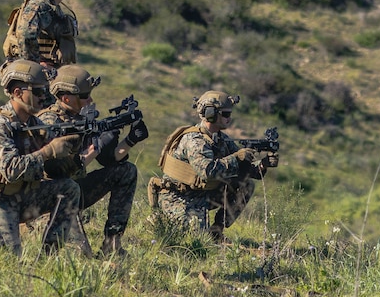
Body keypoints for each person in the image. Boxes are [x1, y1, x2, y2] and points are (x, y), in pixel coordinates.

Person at [0, 59, 91, 256]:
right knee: (7, 259)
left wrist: (77, 145)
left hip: (21, 196)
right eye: (38, 92)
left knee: (69, 189)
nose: (44, 97)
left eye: (45, 91)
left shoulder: (34, 124)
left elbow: (59, 167)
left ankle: (49, 256)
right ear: (18, 93)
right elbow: (11, 170)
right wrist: (48, 151)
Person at [36, 65, 149, 256]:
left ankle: (112, 244)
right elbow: (58, 171)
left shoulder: (80, 119)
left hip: (75, 189)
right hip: (51, 197)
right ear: (66, 98)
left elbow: (111, 160)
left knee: (126, 171)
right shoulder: (49, 122)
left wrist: (129, 141)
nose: (90, 100)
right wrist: (94, 148)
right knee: (81, 257)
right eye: (85, 96)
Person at [149, 91, 278, 242]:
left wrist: (263, 164)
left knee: (246, 185)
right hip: (179, 197)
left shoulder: (221, 139)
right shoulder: (195, 140)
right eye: (225, 114)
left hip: (202, 194)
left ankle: (216, 231)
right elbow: (207, 171)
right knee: (198, 241)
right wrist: (237, 157)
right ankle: (159, 220)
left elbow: (247, 170)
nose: (229, 118)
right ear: (211, 114)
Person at [2, 0, 80, 71]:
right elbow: (25, 34)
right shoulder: (39, 5)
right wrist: (36, 65)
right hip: (34, 75)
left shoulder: (52, 7)